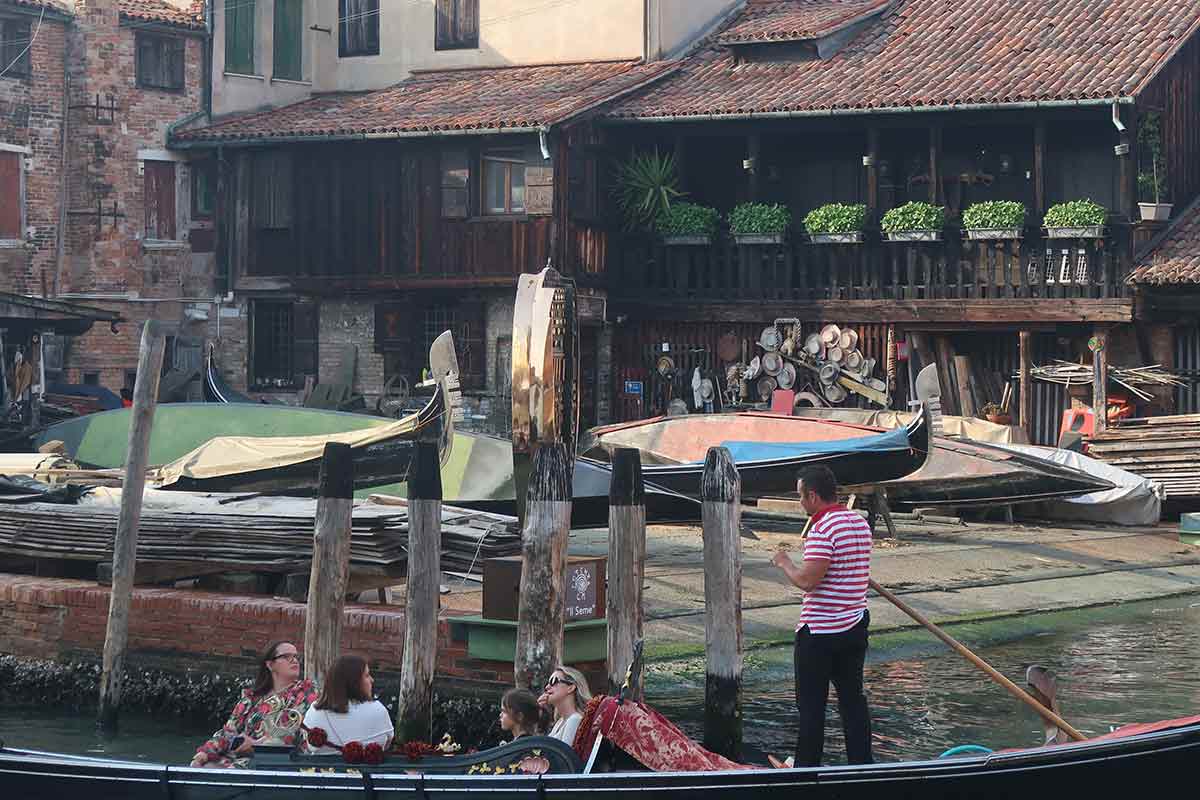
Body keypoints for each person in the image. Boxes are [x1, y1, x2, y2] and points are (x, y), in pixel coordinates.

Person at [770, 464, 873, 768]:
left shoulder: (822, 529)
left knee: (812, 707)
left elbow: (807, 581)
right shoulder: (859, 523)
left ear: (813, 496)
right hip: (854, 625)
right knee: (852, 701)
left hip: (820, 633)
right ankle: (862, 764)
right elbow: (847, 569)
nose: (801, 503)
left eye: (801, 497)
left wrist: (784, 562)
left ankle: (805, 769)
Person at [191, 641, 319, 768]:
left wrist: (255, 745)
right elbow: (228, 732)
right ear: (270, 665)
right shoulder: (252, 698)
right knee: (202, 765)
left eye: (296, 656)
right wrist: (205, 753)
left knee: (219, 770)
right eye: (286, 657)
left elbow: (288, 734)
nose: (294, 660)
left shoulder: (306, 693)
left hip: (275, 761)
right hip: (237, 758)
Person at [302, 654, 394, 755]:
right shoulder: (378, 710)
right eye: (367, 676)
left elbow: (310, 746)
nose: (372, 680)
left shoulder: (315, 710)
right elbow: (387, 743)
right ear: (354, 681)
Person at [538, 666, 592, 746]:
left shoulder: (574, 719)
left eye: (554, 681)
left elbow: (564, 756)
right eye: (548, 683)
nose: (547, 687)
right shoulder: (560, 721)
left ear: (571, 688)